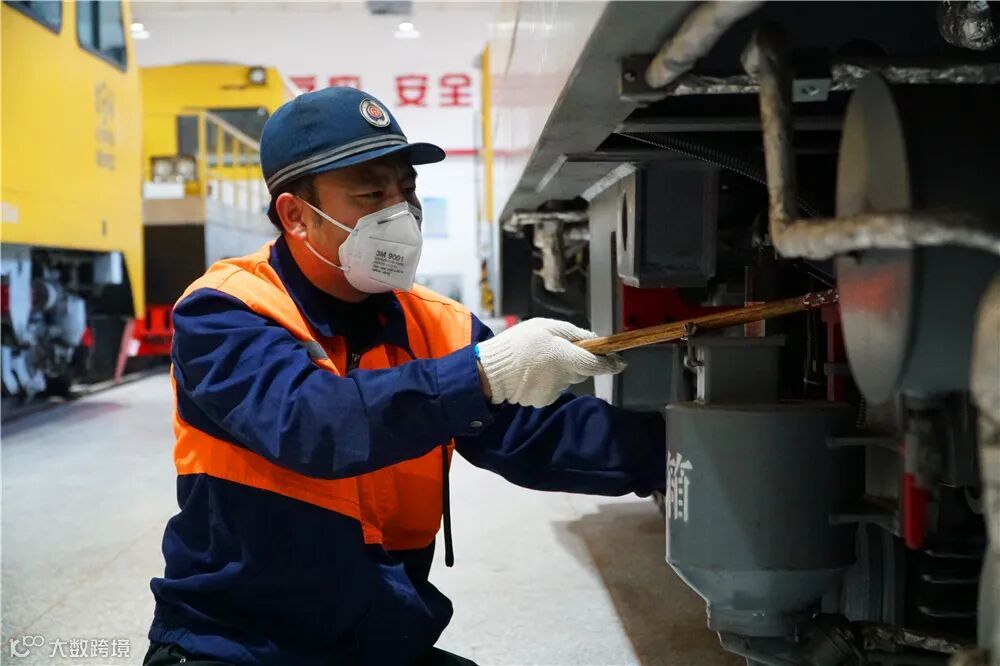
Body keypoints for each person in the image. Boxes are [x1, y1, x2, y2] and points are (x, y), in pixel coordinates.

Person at [144, 87, 666, 666]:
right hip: (235, 646)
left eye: (407, 190)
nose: (400, 213)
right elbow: (312, 422)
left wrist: (677, 454)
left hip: (374, 648)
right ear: (295, 215)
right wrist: (483, 374)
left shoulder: (436, 324)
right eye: (371, 193)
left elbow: (535, 434)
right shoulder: (224, 311)